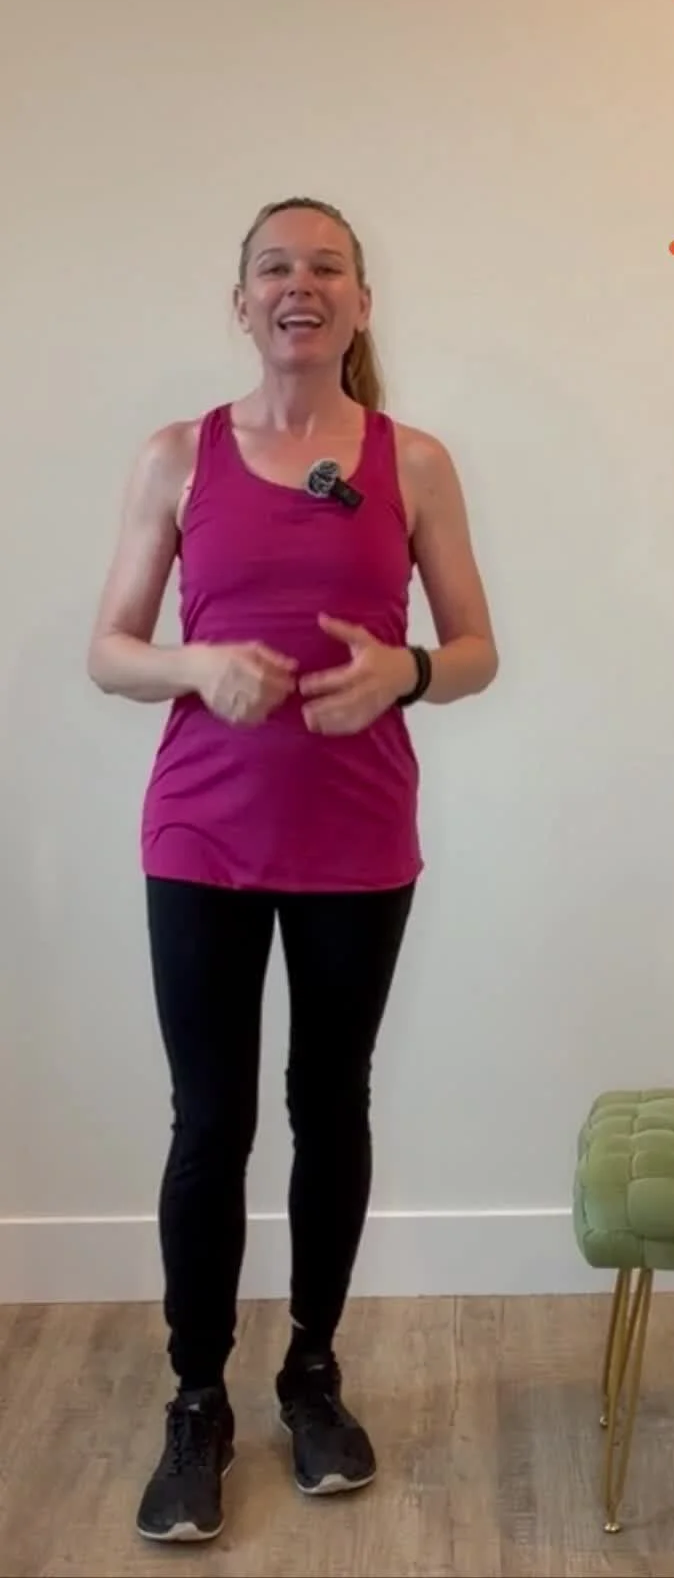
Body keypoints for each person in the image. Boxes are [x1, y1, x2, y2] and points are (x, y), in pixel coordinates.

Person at [87, 196, 498, 1543]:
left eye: (326, 267)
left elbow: (477, 649)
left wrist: (409, 672)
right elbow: (109, 648)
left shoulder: (413, 461)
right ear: (242, 300)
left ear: (360, 303)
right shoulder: (177, 456)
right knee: (210, 1123)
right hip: (200, 834)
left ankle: (311, 1373)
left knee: (332, 1105)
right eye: (275, 267)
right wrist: (195, 665)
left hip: (357, 836)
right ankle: (196, 1399)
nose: (299, 285)